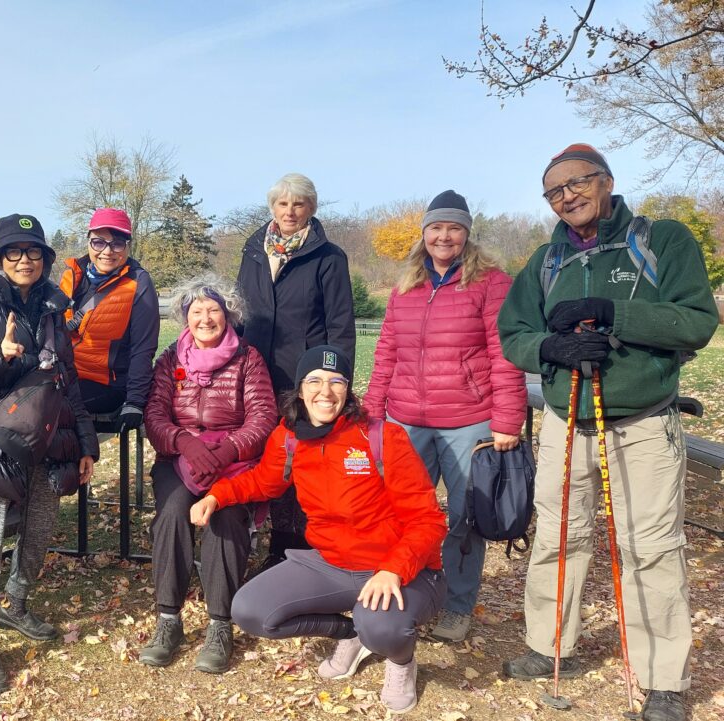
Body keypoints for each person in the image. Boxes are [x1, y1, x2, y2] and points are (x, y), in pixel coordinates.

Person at [498, 144, 716, 721]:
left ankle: (663, 678)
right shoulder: (545, 261)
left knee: (650, 547)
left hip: (642, 420)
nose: (566, 197)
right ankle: (549, 644)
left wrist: (614, 311)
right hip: (565, 419)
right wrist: (549, 347)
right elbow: (513, 331)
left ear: (607, 181)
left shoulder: (660, 239)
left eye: (576, 184)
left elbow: (696, 321)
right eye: (554, 191)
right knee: (557, 538)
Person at [191, 345, 446, 714]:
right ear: (300, 389)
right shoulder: (289, 436)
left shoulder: (382, 438)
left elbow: (429, 519)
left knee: (381, 627)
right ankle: (350, 634)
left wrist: (393, 569)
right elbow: (264, 482)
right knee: (250, 610)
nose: (325, 392)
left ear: (348, 390)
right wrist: (218, 496)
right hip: (333, 563)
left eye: (336, 382)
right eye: (315, 381)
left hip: (401, 569)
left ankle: (400, 662)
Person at [0, 213, 99, 691]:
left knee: (39, 529)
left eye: (34, 252)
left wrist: (86, 443)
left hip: (47, 440)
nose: (25, 260)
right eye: (15, 252)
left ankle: (16, 603)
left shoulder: (55, 310)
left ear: (46, 259)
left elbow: (67, 382)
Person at [362, 190, 526, 643]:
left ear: (467, 233)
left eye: (454, 227)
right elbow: (386, 353)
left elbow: (504, 355)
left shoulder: (492, 282)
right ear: (424, 233)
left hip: (468, 419)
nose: (444, 236)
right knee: (398, 511)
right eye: (436, 227)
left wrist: (507, 419)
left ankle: (457, 604)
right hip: (405, 418)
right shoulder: (404, 286)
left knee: (462, 517)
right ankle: (404, 589)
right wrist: (373, 412)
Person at [138, 276, 277, 673]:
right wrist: (184, 442)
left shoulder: (248, 358)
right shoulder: (171, 359)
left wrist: (230, 448)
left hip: (234, 461)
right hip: (179, 460)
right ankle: (168, 619)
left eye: (213, 309)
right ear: (185, 317)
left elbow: (264, 416)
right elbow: (154, 415)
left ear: (227, 314)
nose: (205, 318)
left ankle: (220, 623)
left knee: (227, 517)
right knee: (171, 514)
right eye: (196, 311)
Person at [236, 172, 356, 568]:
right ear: (272, 207)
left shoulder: (328, 257)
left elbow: (340, 325)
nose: (290, 211)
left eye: (299, 204)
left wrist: (333, 383)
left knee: (297, 458)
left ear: (311, 209)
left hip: (302, 377)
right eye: (283, 203)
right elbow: (238, 313)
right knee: (258, 458)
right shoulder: (254, 250)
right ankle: (245, 537)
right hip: (253, 373)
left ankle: (289, 547)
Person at [58, 207, 160, 427]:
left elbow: (143, 347)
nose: (107, 251)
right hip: (66, 376)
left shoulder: (138, 283)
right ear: (88, 242)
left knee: (53, 406)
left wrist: (134, 401)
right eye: (98, 242)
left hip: (106, 384)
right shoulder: (71, 275)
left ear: (127, 246)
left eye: (117, 243)